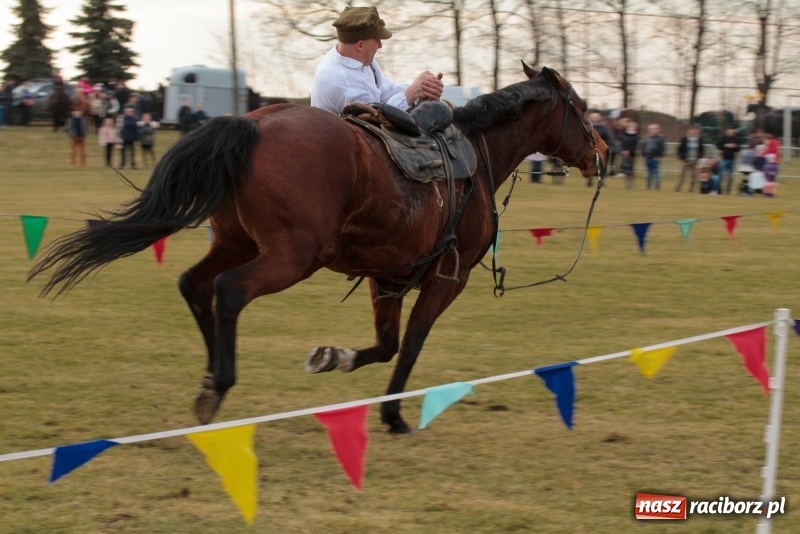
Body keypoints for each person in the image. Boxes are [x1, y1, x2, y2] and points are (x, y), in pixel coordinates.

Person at [311, 6, 444, 115]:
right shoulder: (342, 82)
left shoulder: (361, 59)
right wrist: (411, 93)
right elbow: (377, 117)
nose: (380, 45)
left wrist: (423, 87)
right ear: (360, 45)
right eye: (377, 40)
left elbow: (384, 90)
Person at [588, 112, 618, 187]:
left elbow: (610, 138)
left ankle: (601, 181)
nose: (594, 119)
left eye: (596, 117)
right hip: (589, 149)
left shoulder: (604, 128)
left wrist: (609, 147)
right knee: (590, 165)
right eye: (593, 117)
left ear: (599, 118)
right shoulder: (587, 127)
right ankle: (589, 181)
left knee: (602, 166)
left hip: (601, 150)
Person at [675, 126, 705, 192]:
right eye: (692, 130)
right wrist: (681, 157)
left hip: (695, 160)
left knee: (694, 177)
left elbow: (701, 150)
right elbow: (680, 149)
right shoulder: (684, 139)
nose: (693, 132)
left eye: (695, 130)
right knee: (682, 176)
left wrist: (700, 158)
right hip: (686, 160)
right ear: (689, 131)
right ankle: (677, 189)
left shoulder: (699, 139)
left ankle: (691, 190)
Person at [641, 123, 666, 190]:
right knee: (648, 173)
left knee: (656, 172)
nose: (652, 130)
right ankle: (648, 186)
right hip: (647, 157)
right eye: (651, 129)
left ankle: (657, 186)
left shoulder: (660, 138)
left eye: (654, 129)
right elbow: (643, 147)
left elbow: (662, 148)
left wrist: (659, 156)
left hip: (655, 158)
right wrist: (643, 155)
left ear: (658, 130)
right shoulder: (646, 138)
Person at [715, 127, 740, 194]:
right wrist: (726, 146)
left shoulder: (735, 139)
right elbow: (718, 145)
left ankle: (728, 189)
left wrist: (734, 146)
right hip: (724, 159)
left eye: (732, 132)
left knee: (730, 176)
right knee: (721, 175)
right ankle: (718, 189)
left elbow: (738, 148)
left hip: (732, 160)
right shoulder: (724, 138)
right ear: (727, 131)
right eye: (729, 131)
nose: (731, 133)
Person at [617, 120, 639, 189]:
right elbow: (622, 143)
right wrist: (623, 150)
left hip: (631, 154)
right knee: (625, 170)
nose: (631, 128)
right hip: (624, 154)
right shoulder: (624, 134)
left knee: (631, 170)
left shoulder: (635, 136)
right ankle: (626, 185)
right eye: (629, 127)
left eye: (632, 127)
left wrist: (629, 151)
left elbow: (634, 145)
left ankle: (631, 185)